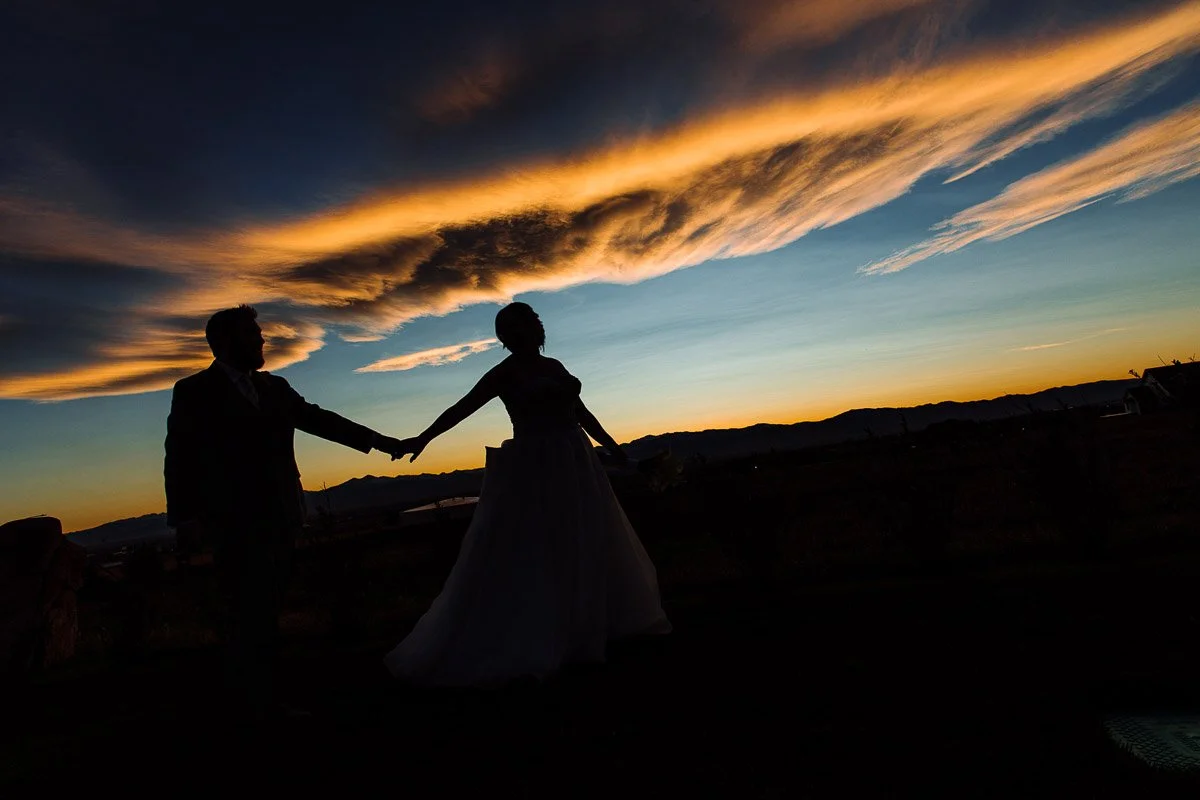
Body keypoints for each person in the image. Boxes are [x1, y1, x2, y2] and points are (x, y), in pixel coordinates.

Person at [382, 301, 671, 687]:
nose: (528, 329)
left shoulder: (554, 367)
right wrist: (424, 438)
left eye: (530, 322)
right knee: (542, 546)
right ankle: (547, 632)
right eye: (517, 326)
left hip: (577, 461)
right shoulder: (504, 374)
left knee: (584, 539)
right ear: (508, 335)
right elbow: (462, 408)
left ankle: (589, 625)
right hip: (538, 465)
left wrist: (618, 453)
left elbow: (582, 415)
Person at [164, 304, 405, 723]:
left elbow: (319, 420)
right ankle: (256, 702)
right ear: (224, 342)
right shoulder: (194, 391)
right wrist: (184, 518)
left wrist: (380, 441)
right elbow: (178, 457)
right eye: (251, 333)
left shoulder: (276, 388)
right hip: (234, 522)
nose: (261, 339)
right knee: (248, 611)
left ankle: (262, 696)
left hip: (281, 515)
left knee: (269, 607)